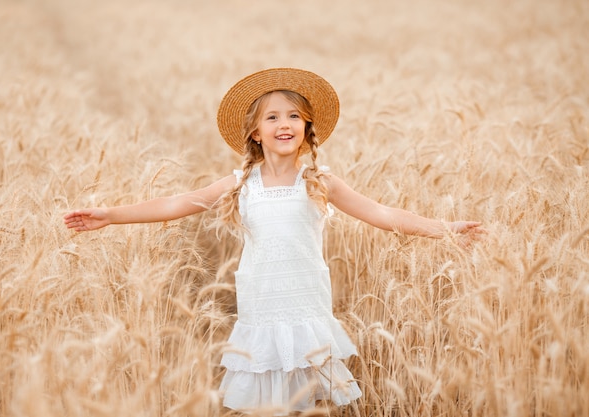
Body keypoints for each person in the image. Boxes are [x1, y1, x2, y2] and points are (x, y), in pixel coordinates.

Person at [63, 68, 486, 415]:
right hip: (262, 307)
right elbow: (177, 203)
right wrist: (110, 216)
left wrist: (444, 228)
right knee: (264, 403)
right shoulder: (241, 183)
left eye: (294, 117)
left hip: (305, 306)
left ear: (306, 128)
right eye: (273, 117)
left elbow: (383, 214)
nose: (285, 124)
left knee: (305, 404)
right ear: (254, 133)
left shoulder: (320, 182)